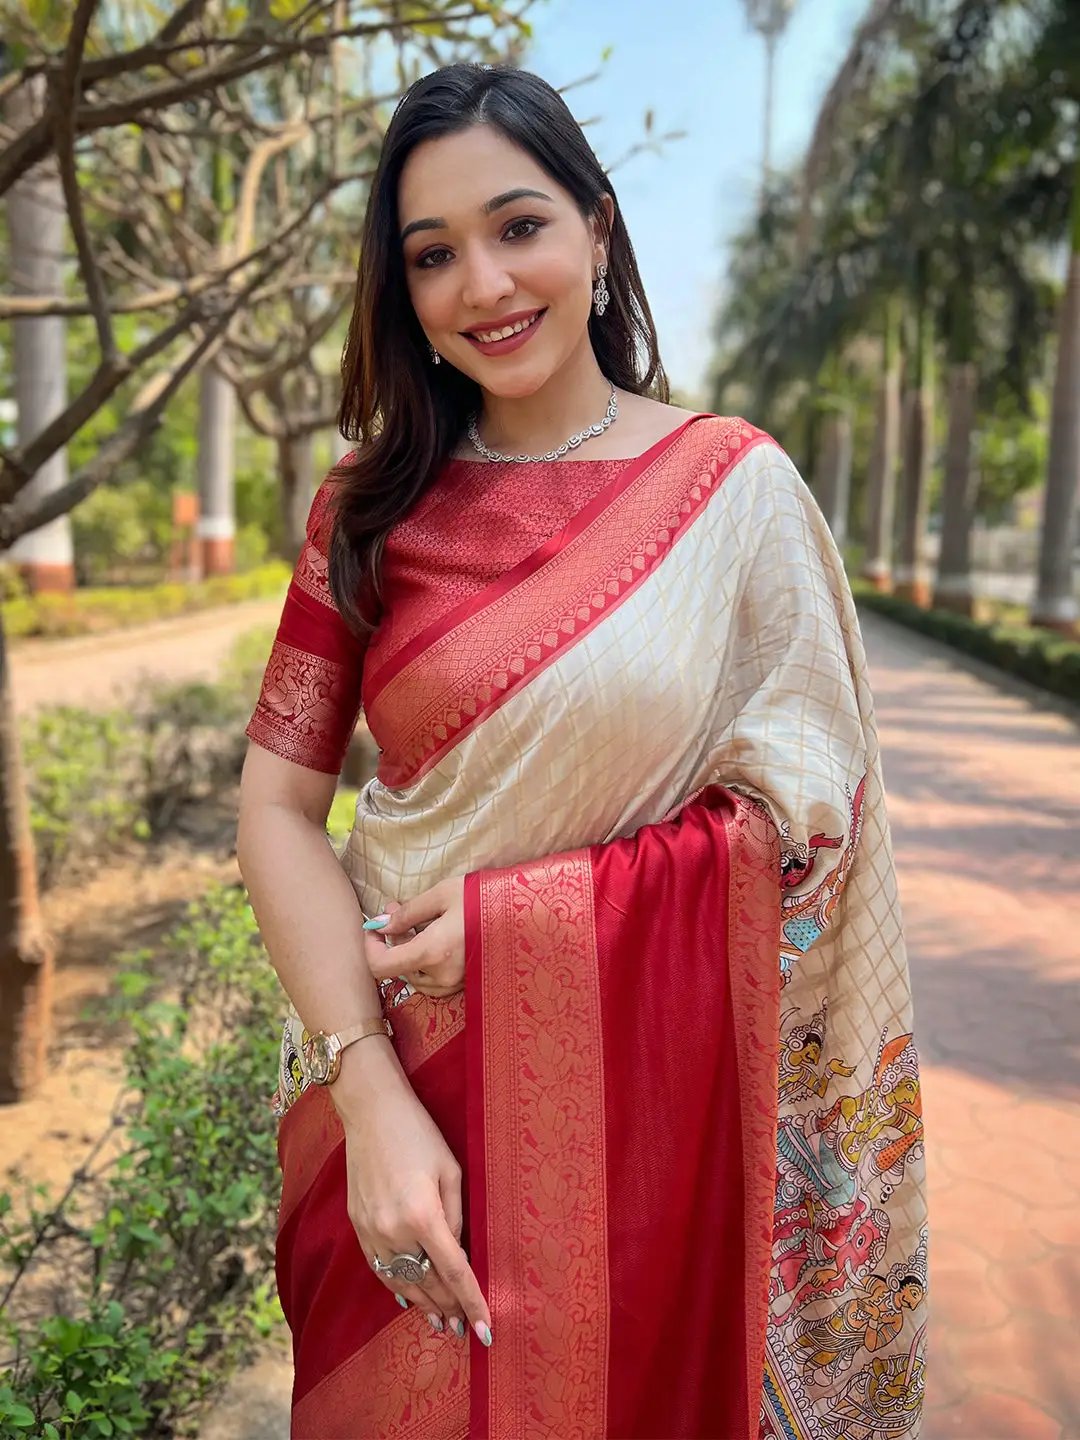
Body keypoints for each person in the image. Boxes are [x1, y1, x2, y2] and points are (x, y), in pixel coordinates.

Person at [237, 61, 928, 1440]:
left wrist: (528, 924)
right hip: (399, 1118)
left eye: (520, 227)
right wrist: (365, 1091)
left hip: (651, 1137)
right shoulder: (368, 511)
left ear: (598, 231)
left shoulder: (735, 492)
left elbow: (813, 828)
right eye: (432, 256)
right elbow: (275, 802)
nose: (483, 284)